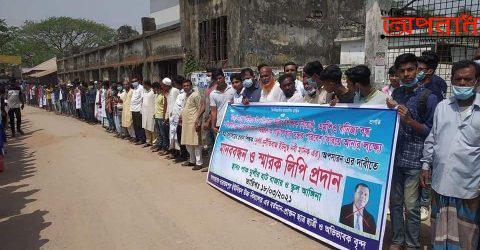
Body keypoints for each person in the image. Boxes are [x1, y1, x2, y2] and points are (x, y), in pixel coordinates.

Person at [420, 60, 480, 250]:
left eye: (467, 79)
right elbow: (432, 138)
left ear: (477, 81)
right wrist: (425, 165)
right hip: (440, 183)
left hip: (468, 187)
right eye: (458, 79)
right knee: (439, 234)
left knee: (466, 238)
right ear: (452, 80)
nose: (462, 83)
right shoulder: (443, 107)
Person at [386, 53, 439, 250]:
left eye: (410, 70)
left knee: (412, 206)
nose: (406, 74)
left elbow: (431, 132)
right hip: (395, 159)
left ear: (418, 70)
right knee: (395, 204)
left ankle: (413, 244)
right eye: (402, 71)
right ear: (397, 73)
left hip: (415, 161)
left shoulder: (429, 97)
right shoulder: (397, 95)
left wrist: (409, 120)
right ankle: (397, 240)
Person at [181, 79, 203, 170]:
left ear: (191, 86)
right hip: (186, 123)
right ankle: (192, 160)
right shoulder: (186, 95)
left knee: (196, 143)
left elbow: (200, 108)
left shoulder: (196, 95)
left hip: (194, 122)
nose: (186, 87)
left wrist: (199, 122)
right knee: (188, 143)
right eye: (184, 86)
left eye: (187, 85)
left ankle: (199, 162)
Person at [167, 76, 188, 161]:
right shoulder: (180, 92)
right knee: (179, 137)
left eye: (175, 83)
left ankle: (184, 155)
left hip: (182, 119)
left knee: (182, 138)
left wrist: (181, 116)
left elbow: (183, 107)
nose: (174, 85)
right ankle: (181, 154)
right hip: (176, 119)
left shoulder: (184, 94)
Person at [153, 80, 168, 154]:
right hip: (156, 116)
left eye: (155, 88)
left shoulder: (163, 96)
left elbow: (165, 106)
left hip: (161, 117)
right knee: (159, 133)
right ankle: (159, 145)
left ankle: (164, 148)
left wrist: (164, 116)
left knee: (163, 133)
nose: (154, 90)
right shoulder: (157, 95)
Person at [130, 79, 146, 145]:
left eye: (135, 81)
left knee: (140, 125)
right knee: (135, 125)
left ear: (138, 81)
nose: (133, 83)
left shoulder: (141, 88)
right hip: (133, 109)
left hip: (138, 109)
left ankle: (142, 139)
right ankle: (137, 138)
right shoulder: (134, 88)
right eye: (132, 82)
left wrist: (141, 109)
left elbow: (142, 99)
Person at [141, 81, 155, 147]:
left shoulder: (153, 92)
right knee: (146, 127)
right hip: (144, 112)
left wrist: (154, 112)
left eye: (144, 85)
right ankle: (148, 141)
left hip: (151, 112)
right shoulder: (144, 92)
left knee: (152, 128)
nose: (143, 86)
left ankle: (154, 142)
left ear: (147, 85)